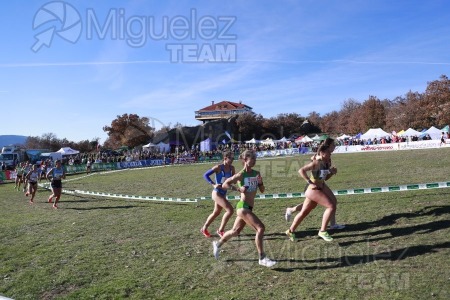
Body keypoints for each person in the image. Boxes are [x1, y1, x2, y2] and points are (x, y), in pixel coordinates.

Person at [212, 150, 276, 268]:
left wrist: (260, 182)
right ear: (245, 160)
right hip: (242, 207)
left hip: (249, 208)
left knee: (235, 232)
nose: (255, 161)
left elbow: (262, 190)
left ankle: (218, 244)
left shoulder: (256, 173)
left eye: (255, 159)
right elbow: (225, 184)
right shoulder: (240, 175)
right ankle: (262, 258)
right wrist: (238, 189)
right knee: (260, 228)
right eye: (253, 159)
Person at [285, 138, 345, 230]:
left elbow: (324, 177)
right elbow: (311, 163)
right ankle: (291, 213)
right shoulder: (319, 157)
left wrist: (331, 172)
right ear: (327, 147)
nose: (334, 147)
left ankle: (333, 224)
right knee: (308, 207)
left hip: (321, 183)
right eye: (333, 145)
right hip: (313, 186)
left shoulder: (328, 158)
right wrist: (316, 159)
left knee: (329, 202)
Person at [200, 151, 236, 238]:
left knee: (216, 212)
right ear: (225, 158)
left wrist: (233, 183)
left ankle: (204, 228)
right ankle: (220, 230)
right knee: (230, 210)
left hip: (223, 193)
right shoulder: (218, 167)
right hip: (216, 193)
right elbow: (205, 175)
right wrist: (213, 184)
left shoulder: (232, 168)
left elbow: (233, 180)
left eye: (233, 158)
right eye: (230, 158)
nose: (232, 160)